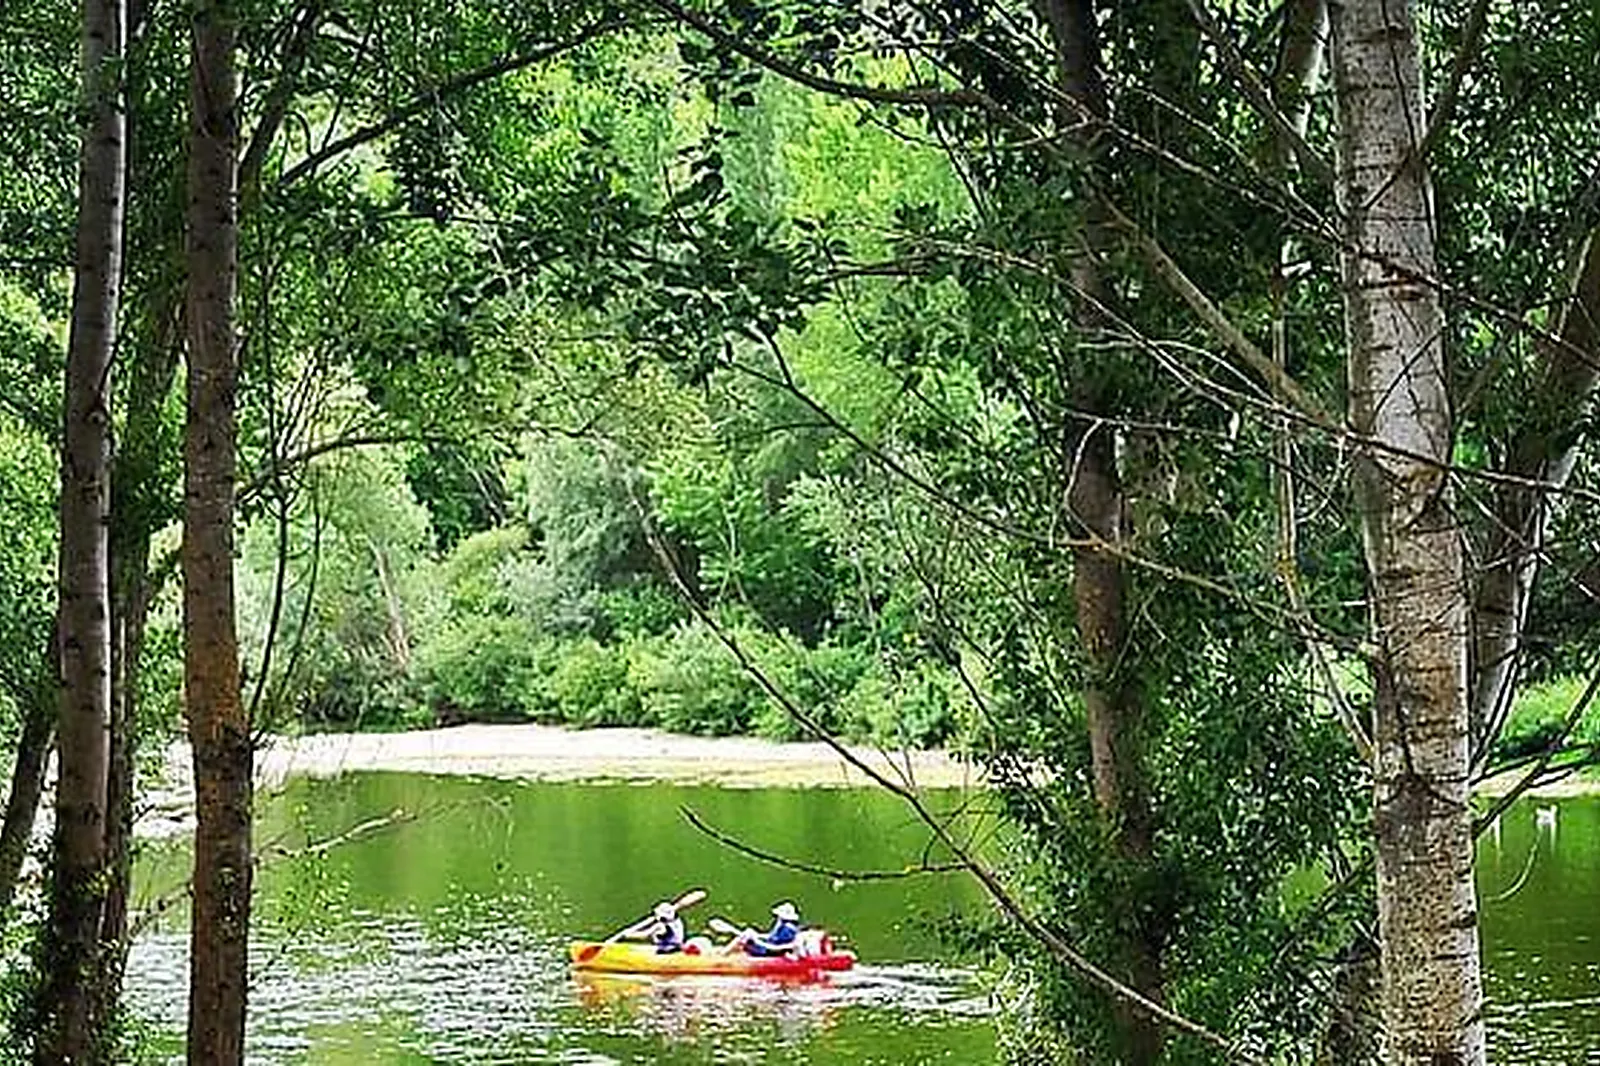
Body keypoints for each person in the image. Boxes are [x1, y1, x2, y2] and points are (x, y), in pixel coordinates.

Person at [731, 901, 801, 957]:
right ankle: (726, 954)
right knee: (748, 933)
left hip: (770, 952)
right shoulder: (782, 924)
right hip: (768, 947)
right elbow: (771, 936)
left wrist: (757, 941)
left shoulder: (788, 929)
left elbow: (778, 947)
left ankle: (723, 956)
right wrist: (757, 935)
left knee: (746, 940)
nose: (777, 917)